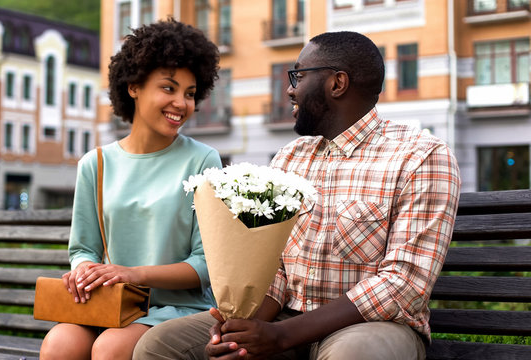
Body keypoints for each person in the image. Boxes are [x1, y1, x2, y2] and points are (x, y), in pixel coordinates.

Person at [132, 31, 461, 360]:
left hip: (372, 326)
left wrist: (282, 336)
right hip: (283, 318)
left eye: (298, 76)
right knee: (159, 344)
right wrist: (241, 329)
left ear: (337, 84)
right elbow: (275, 268)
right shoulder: (290, 157)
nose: (290, 89)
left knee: (352, 355)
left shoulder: (420, 156)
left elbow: (402, 285)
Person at [39, 19, 222, 360]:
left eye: (190, 93)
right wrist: (84, 271)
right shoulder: (95, 163)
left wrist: (132, 274)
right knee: (59, 344)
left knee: (111, 348)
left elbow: (206, 265)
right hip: (110, 304)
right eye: (168, 88)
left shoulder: (203, 160)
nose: (181, 103)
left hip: (177, 309)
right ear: (134, 86)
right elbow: (83, 248)